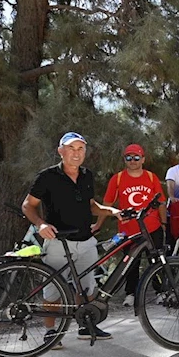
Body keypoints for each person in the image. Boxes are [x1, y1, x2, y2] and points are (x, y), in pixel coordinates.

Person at [22, 132, 124, 346]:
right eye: (71, 148)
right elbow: (28, 206)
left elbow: (92, 206)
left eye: (81, 149)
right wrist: (40, 224)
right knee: (52, 292)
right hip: (59, 242)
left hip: (86, 241)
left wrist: (111, 211)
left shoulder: (87, 175)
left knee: (87, 288)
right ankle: (51, 332)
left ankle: (85, 326)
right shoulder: (47, 177)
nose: (76, 153)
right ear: (61, 151)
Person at [99, 144, 167, 308]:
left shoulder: (151, 177)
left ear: (143, 159)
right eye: (128, 158)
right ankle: (131, 294)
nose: (133, 161)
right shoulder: (118, 178)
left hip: (152, 228)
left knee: (157, 260)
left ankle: (161, 292)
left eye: (136, 157)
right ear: (124, 160)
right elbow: (107, 203)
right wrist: (98, 224)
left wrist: (164, 223)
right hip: (128, 230)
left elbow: (161, 202)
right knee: (130, 263)